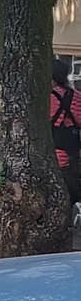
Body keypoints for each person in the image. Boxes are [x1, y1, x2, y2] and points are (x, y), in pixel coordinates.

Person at [50, 58, 81, 205]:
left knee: (57, 201)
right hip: (75, 156)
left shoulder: (48, 98)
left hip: (54, 157)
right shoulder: (77, 97)